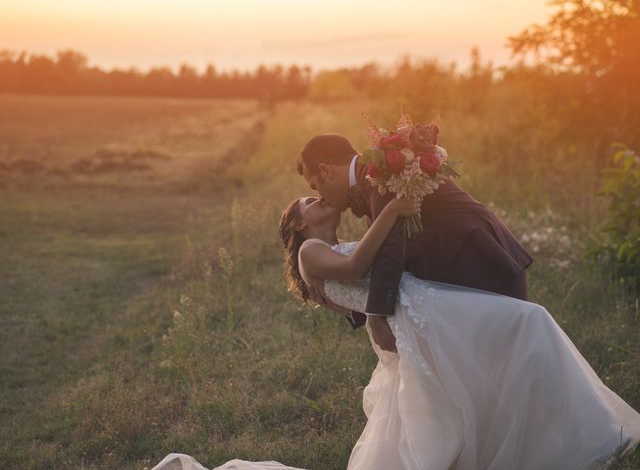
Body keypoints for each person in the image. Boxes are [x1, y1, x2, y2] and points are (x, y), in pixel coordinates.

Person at [153, 196, 640, 469]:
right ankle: (590, 438)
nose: (316, 196)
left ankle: (577, 436)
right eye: (306, 200)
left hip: (422, 310)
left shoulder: (337, 238)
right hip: (417, 319)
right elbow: (360, 263)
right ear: (300, 222)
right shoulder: (310, 254)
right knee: (525, 326)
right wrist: (395, 207)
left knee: (510, 342)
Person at [296, 133, 534, 355]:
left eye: (315, 186)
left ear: (326, 171)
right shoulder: (369, 177)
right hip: (461, 274)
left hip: (481, 262)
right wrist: (344, 304)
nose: (321, 197)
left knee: (502, 364)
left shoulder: (380, 173)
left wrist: (377, 314)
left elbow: (391, 249)